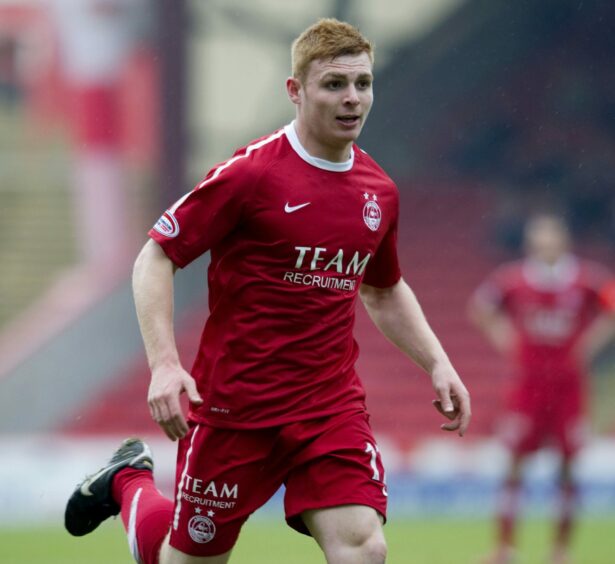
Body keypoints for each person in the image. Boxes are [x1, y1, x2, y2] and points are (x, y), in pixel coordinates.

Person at [65, 18, 471, 564]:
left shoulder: (379, 192)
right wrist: (164, 364)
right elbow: (155, 257)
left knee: (364, 549)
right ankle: (129, 485)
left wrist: (438, 362)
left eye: (363, 84)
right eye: (334, 85)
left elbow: (383, 289)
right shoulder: (250, 174)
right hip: (234, 407)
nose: (353, 99)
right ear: (295, 90)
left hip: (329, 407)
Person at [468, 214, 615, 564]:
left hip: (568, 387)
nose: (544, 244)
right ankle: (505, 548)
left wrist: (589, 345)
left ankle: (560, 550)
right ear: (530, 243)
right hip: (528, 385)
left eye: (550, 237)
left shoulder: (586, 280)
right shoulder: (513, 279)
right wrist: (506, 338)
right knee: (515, 462)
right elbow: (480, 308)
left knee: (567, 464)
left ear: (563, 241)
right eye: (538, 238)